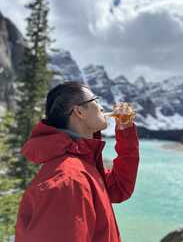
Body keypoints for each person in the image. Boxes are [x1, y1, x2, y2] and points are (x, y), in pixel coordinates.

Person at [15, 81, 139, 242]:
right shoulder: (69, 179)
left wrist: (125, 131)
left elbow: (119, 187)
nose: (101, 107)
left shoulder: (82, 165)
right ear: (79, 111)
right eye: (95, 100)